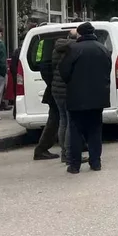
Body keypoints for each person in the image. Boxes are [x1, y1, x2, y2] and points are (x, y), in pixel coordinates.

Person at [59, 22, 111, 174]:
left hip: (77, 98)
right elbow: (108, 69)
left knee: (76, 131)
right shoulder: (103, 48)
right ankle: (96, 162)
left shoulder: (73, 49)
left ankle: (74, 165)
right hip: (98, 97)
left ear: (80, 34)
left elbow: (64, 71)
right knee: (95, 131)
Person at [50, 29, 78, 164]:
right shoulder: (74, 49)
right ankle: (69, 153)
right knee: (70, 122)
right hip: (67, 89)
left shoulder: (57, 48)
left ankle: (63, 152)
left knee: (63, 121)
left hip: (56, 89)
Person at [32, 35, 61, 161]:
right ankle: (41, 149)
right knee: (55, 121)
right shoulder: (51, 60)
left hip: (53, 92)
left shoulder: (47, 58)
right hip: (56, 93)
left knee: (61, 120)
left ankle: (79, 144)